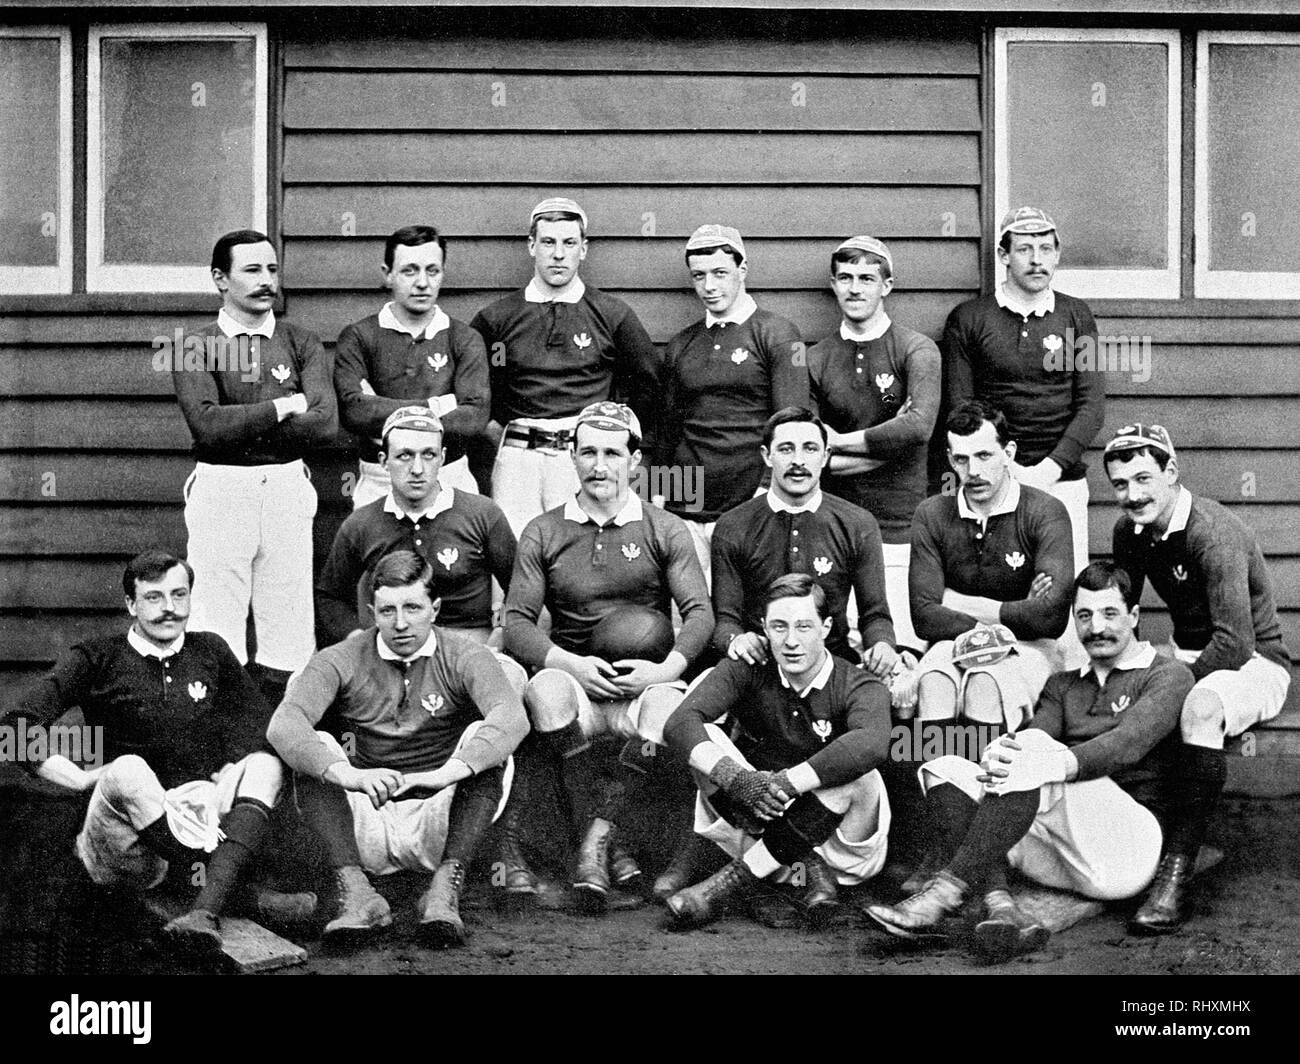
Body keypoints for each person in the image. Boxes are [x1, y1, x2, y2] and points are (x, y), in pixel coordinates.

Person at [864, 561, 1222, 959]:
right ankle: (1001, 904)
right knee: (943, 767)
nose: (1096, 627)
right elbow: (1035, 736)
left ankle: (942, 894)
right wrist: (1001, 750)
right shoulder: (1064, 684)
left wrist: (1035, 760)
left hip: (1128, 846)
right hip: (1062, 857)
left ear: (1134, 616)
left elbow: (1127, 744)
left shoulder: (1166, 675)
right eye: (1084, 616)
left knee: (1031, 761)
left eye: (1109, 614)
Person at [1, 550, 288, 957]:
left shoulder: (210, 651)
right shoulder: (97, 657)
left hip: (199, 817)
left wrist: (233, 765)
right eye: (154, 598)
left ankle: (205, 909)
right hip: (126, 841)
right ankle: (239, 892)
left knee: (265, 763)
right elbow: (12, 729)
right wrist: (81, 778)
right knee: (128, 770)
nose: (170, 609)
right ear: (131, 605)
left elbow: (263, 726)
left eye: (179, 595)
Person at [500, 401, 713, 912]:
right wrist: (572, 666)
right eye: (589, 451)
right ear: (571, 456)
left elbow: (700, 613)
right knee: (545, 691)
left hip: (646, 679)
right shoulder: (544, 529)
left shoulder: (664, 527)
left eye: (613, 453)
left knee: (669, 711)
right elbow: (516, 623)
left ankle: (598, 839)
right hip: (580, 679)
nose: (600, 465)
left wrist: (664, 670)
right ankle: (597, 846)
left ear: (634, 461)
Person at [268, 550, 529, 949]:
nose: (401, 623)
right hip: (367, 814)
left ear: (435, 608)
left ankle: (444, 890)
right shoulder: (340, 658)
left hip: (437, 815)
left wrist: (444, 773)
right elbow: (284, 725)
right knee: (315, 746)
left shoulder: (464, 655)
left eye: (413, 607)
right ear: (372, 611)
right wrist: (350, 775)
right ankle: (356, 893)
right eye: (387, 611)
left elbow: (512, 718)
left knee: (486, 740)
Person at [1105, 423, 1291, 924]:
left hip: (1253, 663)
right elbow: (1120, 605)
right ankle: (1139, 845)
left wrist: (1166, 692)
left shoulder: (1212, 532)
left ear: (1171, 472)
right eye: (1120, 485)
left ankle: (1176, 872)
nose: (1132, 495)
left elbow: (1235, 642)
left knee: (1197, 708)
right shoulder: (1130, 530)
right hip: (1186, 655)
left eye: (1144, 479)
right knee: (1112, 695)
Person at [655, 574, 893, 929]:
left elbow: (872, 742)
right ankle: (791, 871)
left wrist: (784, 783)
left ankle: (728, 884)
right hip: (756, 825)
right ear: (763, 627)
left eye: (804, 626)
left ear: (826, 627)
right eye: (779, 627)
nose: (791, 641)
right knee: (703, 736)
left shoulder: (856, 682)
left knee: (863, 776)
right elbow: (679, 723)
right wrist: (739, 780)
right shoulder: (749, 666)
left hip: (835, 849)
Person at [171, 229, 338, 696]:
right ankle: (217, 743)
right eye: (252, 270)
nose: (267, 280)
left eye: (271, 269)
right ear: (220, 279)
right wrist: (283, 407)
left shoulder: (300, 341)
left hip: (285, 485)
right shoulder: (195, 345)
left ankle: (282, 749)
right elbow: (208, 427)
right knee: (214, 620)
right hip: (222, 488)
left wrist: (239, 422)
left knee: (288, 622)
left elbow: (324, 424)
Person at [470, 198, 660, 537]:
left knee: (582, 555)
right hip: (518, 458)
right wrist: (494, 428)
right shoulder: (497, 318)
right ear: (532, 246)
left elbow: (648, 382)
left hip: (582, 456)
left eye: (569, 243)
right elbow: (474, 385)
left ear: (583, 249)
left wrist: (613, 434)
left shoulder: (612, 315)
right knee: (516, 558)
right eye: (548, 242)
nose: (558, 254)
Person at [943, 207, 1103, 576]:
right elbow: (962, 410)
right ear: (1003, 255)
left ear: (1057, 255)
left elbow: (1091, 405)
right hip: (990, 478)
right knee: (994, 585)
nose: (1036, 260)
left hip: (1061, 480)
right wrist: (1004, 468)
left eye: (1046, 249)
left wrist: (1049, 469)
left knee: (1062, 590)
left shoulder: (1077, 315)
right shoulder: (968, 319)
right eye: (1024, 249)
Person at [809, 236, 941, 652]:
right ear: (833, 284)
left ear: (887, 286)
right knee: (841, 648)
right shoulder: (816, 357)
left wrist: (841, 441)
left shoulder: (915, 348)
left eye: (867, 278)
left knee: (899, 649)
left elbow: (919, 430)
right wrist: (889, 443)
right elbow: (811, 453)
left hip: (899, 525)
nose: (855, 288)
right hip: (836, 526)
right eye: (845, 277)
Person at [655, 224, 808, 580]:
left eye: (720, 273)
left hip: (748, 501)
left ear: (742, 271)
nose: (709, 286)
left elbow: (793, 424)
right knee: (689, 613)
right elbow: (667, 430)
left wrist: (768, 492)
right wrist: (658, 499)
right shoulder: (682, 344)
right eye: (699, 276)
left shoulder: (779, 334)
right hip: (687, 502)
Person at [315, 406, 518, 675]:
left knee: (509, 682)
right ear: (384, 461)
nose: (418, 469)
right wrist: (358, 640)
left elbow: (517, 587)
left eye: (428, 455)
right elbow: (331, 596)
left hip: (471, 646)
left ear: (442, 458)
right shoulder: (361, 523)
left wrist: (498, 634)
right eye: (404, 456)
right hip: (393, 651)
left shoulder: (482, 514)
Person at [909, 400, 1073, 730]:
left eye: (984, 456)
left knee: (986, 682)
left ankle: (984, 780)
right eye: (961, 459)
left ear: (1008, 452)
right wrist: (1018, 609)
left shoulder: (1046, 511)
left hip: (1027, 647)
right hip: (952, 642)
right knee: (934, 680)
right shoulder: (932, 514)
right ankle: (945, 777)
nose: (973, 471)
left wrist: (954, 601)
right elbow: (924, 617)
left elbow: (1050, 618)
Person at [711, 406, 896, 677]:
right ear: (767, 456)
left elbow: (875, 614)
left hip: (832, 664)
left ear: (825, 456)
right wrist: (737, 640)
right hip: (758, 667)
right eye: (786, 449)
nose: (798, 460)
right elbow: (726, 620)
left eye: (810, 449)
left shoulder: (858, 523)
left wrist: (882, 645)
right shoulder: (733, 526)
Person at [334, 225, 489, 505]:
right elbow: (355, 411)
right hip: (380, 479)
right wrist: (440, 405)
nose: (422, 282)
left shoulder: (464, 338)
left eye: (432, 271)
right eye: (409, 270)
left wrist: (380, 406)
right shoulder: (358, 337)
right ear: (388, 274)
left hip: (449, 475)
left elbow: (474, 418)